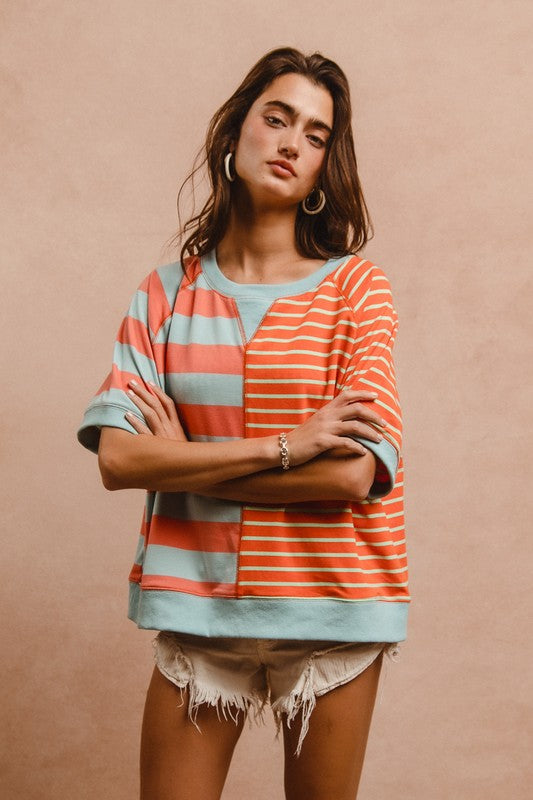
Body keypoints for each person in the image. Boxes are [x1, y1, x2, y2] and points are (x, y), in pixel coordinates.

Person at [78, 46, 408, 800]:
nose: (293, 143)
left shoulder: (358, 290)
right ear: (234, 133)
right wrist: (286, 446)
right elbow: (119, 462)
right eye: (277, 118)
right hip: (195, 606)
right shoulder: (164, 295)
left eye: (316, 135)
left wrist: (184, 461)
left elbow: (353, 475)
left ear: (324, 168)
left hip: (334, 605)